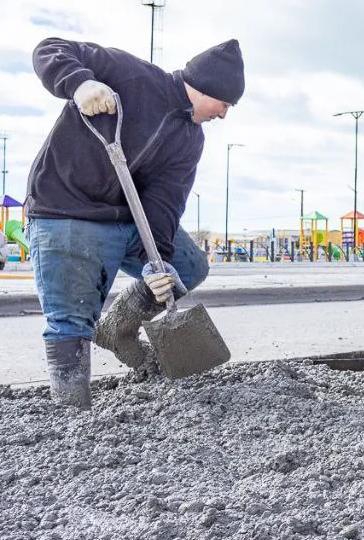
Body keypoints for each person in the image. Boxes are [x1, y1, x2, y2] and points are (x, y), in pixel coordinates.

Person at [28, 37, 244, 408]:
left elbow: (164, 202)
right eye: (224, 104)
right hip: (66, 210)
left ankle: (116, 329)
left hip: (126, 218)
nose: (223, 114)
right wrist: (80, 83)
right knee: (71, 319)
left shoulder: (190, 138)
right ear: (206, 88)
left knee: (186, 268)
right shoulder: (130, 75)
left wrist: (155, 263)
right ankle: (71, 412)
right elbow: (50, 48)